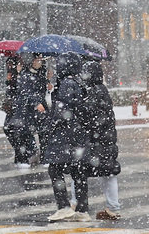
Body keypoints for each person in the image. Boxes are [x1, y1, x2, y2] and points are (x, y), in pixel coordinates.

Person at [71, 60, 121, 220]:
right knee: (108, 173)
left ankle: (74, 204)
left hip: (96, 141)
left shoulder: (93, 92)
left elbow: (88, 116)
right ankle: (113, 207)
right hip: (106, 141)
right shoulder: (102, 90)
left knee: (78, 171)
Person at [45, 52, 90, 222]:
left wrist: (52, 123)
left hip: (65, 135)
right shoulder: (79, 82)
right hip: (77, 134)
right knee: (78, 172)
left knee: (55, 169)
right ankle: (82, 209)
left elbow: (62, 110)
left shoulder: (66, 84)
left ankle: (63, 206)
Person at [6, 53, 49, 168]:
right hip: (26, 109)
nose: (40, 62)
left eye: (41, 59)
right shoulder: (24, 75)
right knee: (21, 132)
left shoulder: (40, 74)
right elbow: (26, 91)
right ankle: (28, 155)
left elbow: (39, 91)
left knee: (43, 132)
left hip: (36, 108)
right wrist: (36, 102)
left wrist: (48, 83)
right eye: (38, 60)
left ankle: (40, 156)